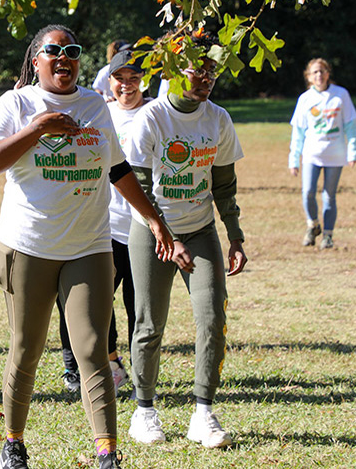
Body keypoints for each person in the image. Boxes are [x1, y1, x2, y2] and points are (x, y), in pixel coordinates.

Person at [0, 24, 174, 469]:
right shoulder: (17, 103)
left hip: (89, 247)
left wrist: (154, 220)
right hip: (28, 246)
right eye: (53, 51)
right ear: (36, 60)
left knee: (92, 349)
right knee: (26, 346)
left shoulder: (94, 107)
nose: (63, 58)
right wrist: (37, 129)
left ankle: (108, 455)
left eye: (72, 51)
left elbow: (117, 169)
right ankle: (13, 443)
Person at [124, 31, 247, 449]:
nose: (207, 77)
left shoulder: (218, 119)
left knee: (212, 315)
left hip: (200, 230)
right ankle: (144, 411)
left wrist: (235, 237)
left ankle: (203, 413)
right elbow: (138, 185)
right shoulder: (152, 118)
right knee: (149, 323)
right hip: (152, 231)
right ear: (175, 69)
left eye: (213, 70)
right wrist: (165, 234)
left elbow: (225, 185)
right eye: (199, 68)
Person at [57, 49, 152, 395]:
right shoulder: (98, 112)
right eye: (119, 78)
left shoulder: (155, 114)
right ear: (108, 81)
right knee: (91, 302)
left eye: (133, 77)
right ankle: (96, 364)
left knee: (139, 306)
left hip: (142, 227)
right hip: (102, 226)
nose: (126, 85)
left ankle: (142, 372)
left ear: (146, 79)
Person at [288, 58, 356, 249]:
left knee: (329, 196)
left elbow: (350, 126)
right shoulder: (305, 99)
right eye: (315, 72)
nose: (319, 75)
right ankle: (313, 225)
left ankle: (328, 235)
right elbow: (298, 132)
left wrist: (353, 151)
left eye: (322, 71)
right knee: (308, 193)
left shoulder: (341, 95)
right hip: (312, 153)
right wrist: (294, 158)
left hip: (335, 155)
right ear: (309, 77)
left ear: (328, 74)